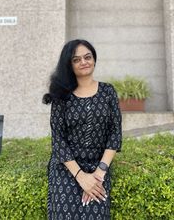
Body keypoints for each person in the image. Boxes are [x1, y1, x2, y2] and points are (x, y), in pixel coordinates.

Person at [42, 39, 122, 220]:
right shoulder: (61, 96)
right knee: (64, 213)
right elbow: (58, 139)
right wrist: (80, 176)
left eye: (87, 57)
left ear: (94, 59)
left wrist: (99, 174)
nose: (83, 62)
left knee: (96, 213)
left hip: (98, 164)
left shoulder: (108, 91)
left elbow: (115, 133)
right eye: (76, 59)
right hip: (66, 166)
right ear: (69, 65)